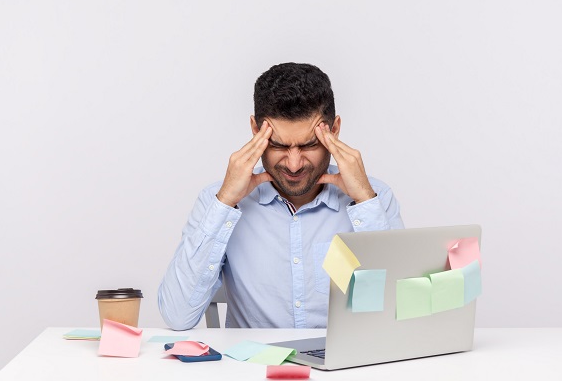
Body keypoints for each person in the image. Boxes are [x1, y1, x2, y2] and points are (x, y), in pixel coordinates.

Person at [158, 63, 404, 330]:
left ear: (334, 131)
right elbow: (177, 316)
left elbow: (400, 315)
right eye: (278, 145)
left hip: (342, 371)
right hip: (252, 369)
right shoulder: (217, 200)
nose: (295, 164)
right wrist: (226, 201)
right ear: (256, 130)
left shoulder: (375, 197)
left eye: (310, 145)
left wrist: (366, 202)